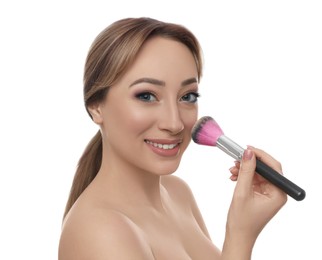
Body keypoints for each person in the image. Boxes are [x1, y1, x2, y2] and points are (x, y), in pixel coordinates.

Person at [58, 17, 287, 260]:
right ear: (96, 107)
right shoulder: (99, 231)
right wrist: (240, 234)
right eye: (146, 96)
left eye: (187, 96)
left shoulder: (178, 193)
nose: (175, 123)